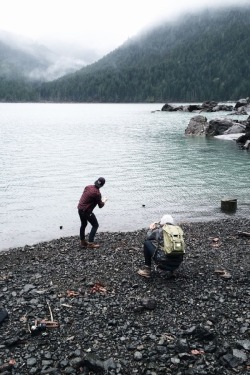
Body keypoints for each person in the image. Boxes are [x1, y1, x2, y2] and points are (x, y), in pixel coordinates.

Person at [78, 177, 107, 249]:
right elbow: (100, 206)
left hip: (80, 208)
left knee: (83, 224)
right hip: (87, 211)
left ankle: (82, 241)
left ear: (96, 182)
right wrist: (104, 201)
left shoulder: (88, 187)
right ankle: (91, 244)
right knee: (95, 225)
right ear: (102, 185)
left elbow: (87, 197)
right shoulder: (97, 194)